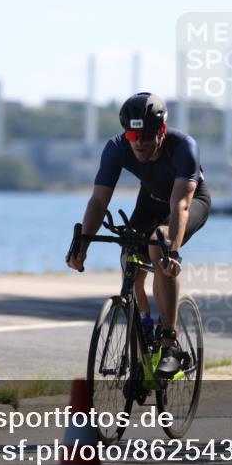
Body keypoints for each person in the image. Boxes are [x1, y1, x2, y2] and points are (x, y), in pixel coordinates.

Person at [66, 92, 210, 376]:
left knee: (159, 243)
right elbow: (98, 201)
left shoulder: (183, 147)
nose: (140, 142)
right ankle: (143, 323)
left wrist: (173, 250)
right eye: (133, 135)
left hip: (190, 202)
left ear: (162, 131)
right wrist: (82, 244)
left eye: (146, 135)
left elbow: (180, 204)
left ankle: (169, 342)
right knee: (129, 253)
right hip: (151, 200)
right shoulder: (117, 147)